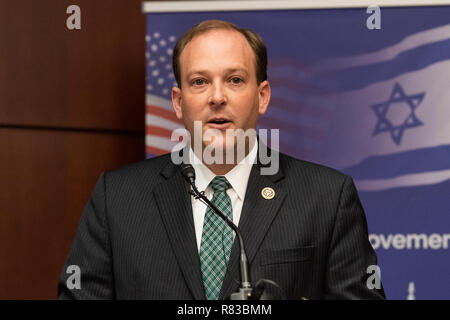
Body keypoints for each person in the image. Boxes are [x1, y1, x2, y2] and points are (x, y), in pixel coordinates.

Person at [58, 20, 385, 300]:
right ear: (178, 101)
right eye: (199, 82)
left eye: (235, 80)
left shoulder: (327, 197)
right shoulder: (117, 198)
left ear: (262, 96)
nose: (217, 97)